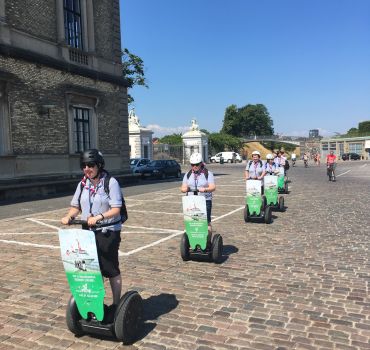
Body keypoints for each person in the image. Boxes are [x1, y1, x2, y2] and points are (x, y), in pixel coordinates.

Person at [61, 149, 123, 307]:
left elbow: (117, 208)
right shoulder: (83, 184)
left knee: (109, 268)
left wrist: (98, 217)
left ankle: (116, 305)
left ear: (99, 165)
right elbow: (76, 206)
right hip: (87, 233)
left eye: (90, 165)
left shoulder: (110, 182)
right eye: (84, 166)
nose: (87, 169)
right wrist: (70, 216)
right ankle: (96, 303)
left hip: (107, 232)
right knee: (91, 270)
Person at [181, 153, 216, 235]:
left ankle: (208, 242)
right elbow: (182, 188)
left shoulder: (208, 174)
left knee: (206, 222)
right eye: (192, 165)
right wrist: (186, 189)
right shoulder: (188, 174)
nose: (194, 166)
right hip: (191, 202)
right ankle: (192, 240)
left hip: (205, 201)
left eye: (197, 164)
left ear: (201, 163)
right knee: (191, 221)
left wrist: (205, 189)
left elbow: (213, 187)